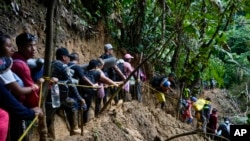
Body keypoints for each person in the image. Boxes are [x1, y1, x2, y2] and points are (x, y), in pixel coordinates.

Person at [46, 47, 82, 135]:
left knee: (49, 118)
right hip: (58, 97)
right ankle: (74, 129)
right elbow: (70, 83)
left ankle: (50, 136)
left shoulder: (52, 64)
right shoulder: (62, 66)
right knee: (73, 104)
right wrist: (79, 97)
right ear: (64, 57)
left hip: (49, 96)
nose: (69, 59)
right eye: (68, 57)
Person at [79, 59, 121, 123]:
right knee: (86, 109)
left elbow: (103, 81)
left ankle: (84, 122)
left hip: (81, 92)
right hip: (88, 93)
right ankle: (84, 123)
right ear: (96, 66)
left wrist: (116, 83)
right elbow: (106, 80)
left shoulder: (85, 72)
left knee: (85, 108)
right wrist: (114, 84)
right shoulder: (96, 72)